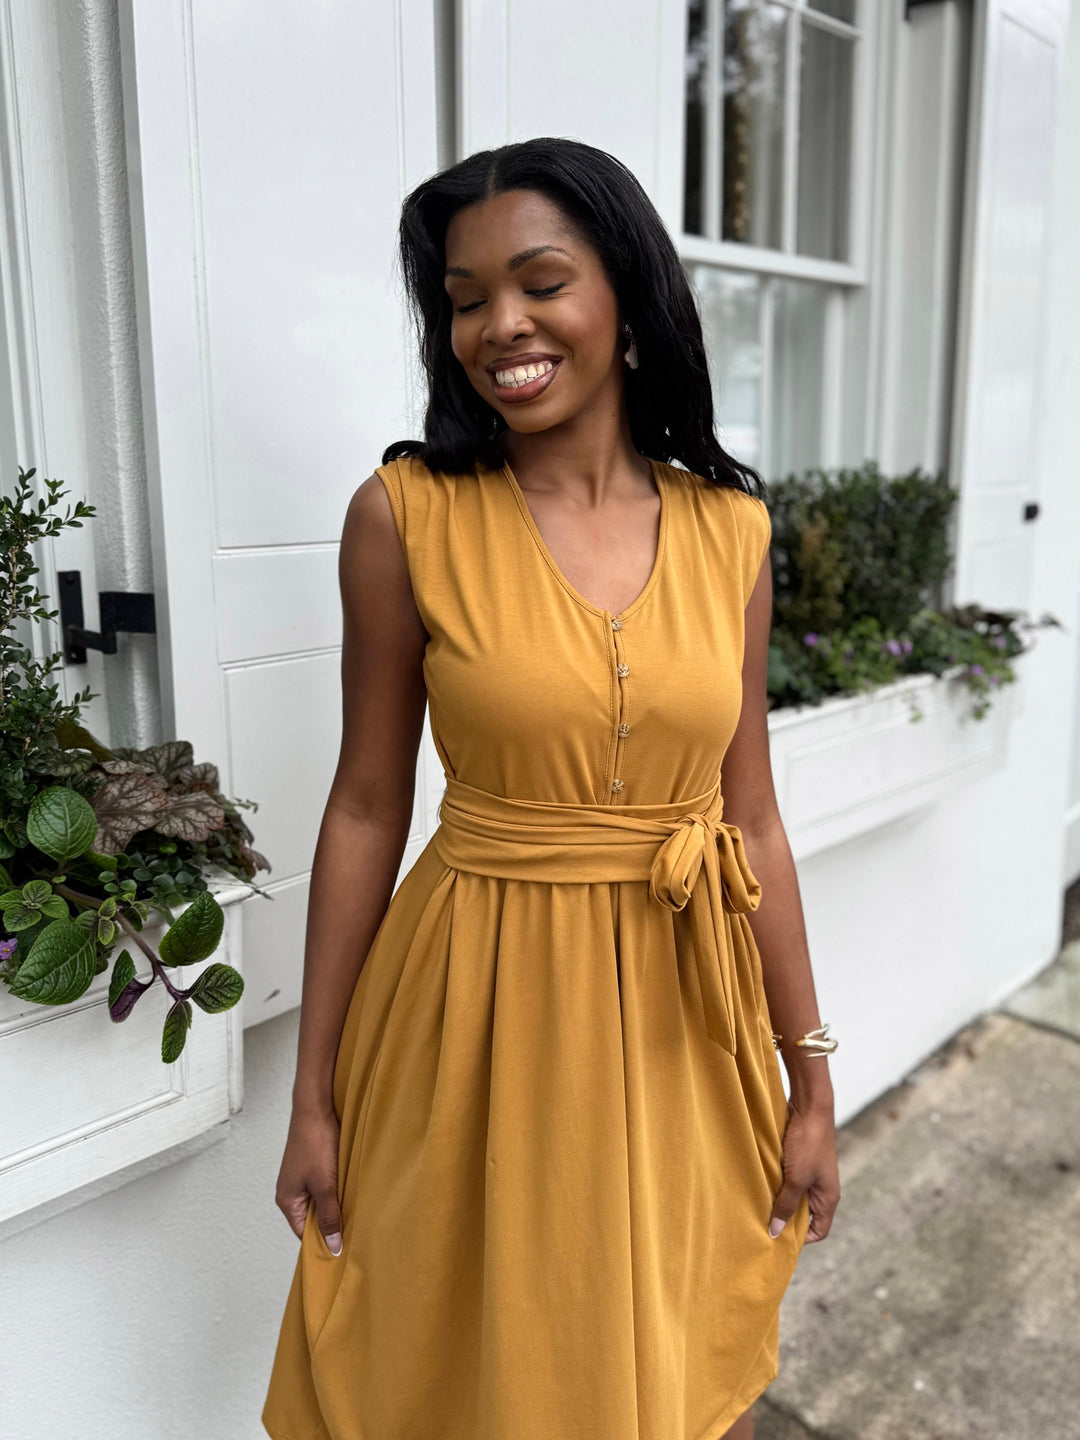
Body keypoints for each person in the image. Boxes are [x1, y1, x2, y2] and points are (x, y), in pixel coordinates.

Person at [261, 136, 840, 1440]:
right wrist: (313, 1099)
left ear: (627, 297)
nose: (499, 326)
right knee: (468, 1364)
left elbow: (751, 819)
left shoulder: (732, 531)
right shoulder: (404, 516)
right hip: (473, 1015)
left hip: (689, 1023)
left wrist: (809, 1079)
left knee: (684, 1349)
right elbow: (366, 806)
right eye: (466, 299)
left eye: (539, 282)